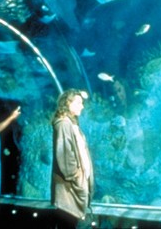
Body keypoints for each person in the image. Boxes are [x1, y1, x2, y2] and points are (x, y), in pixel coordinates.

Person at [51, 89, 94, 229]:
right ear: (68, 103)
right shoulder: (63, 124)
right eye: (79, 103)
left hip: (73, 188)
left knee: (69, 224)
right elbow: (65, 156)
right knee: (66, 223)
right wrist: (77, 177)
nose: (82, 106)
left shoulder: (72, 124)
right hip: (68, 189)